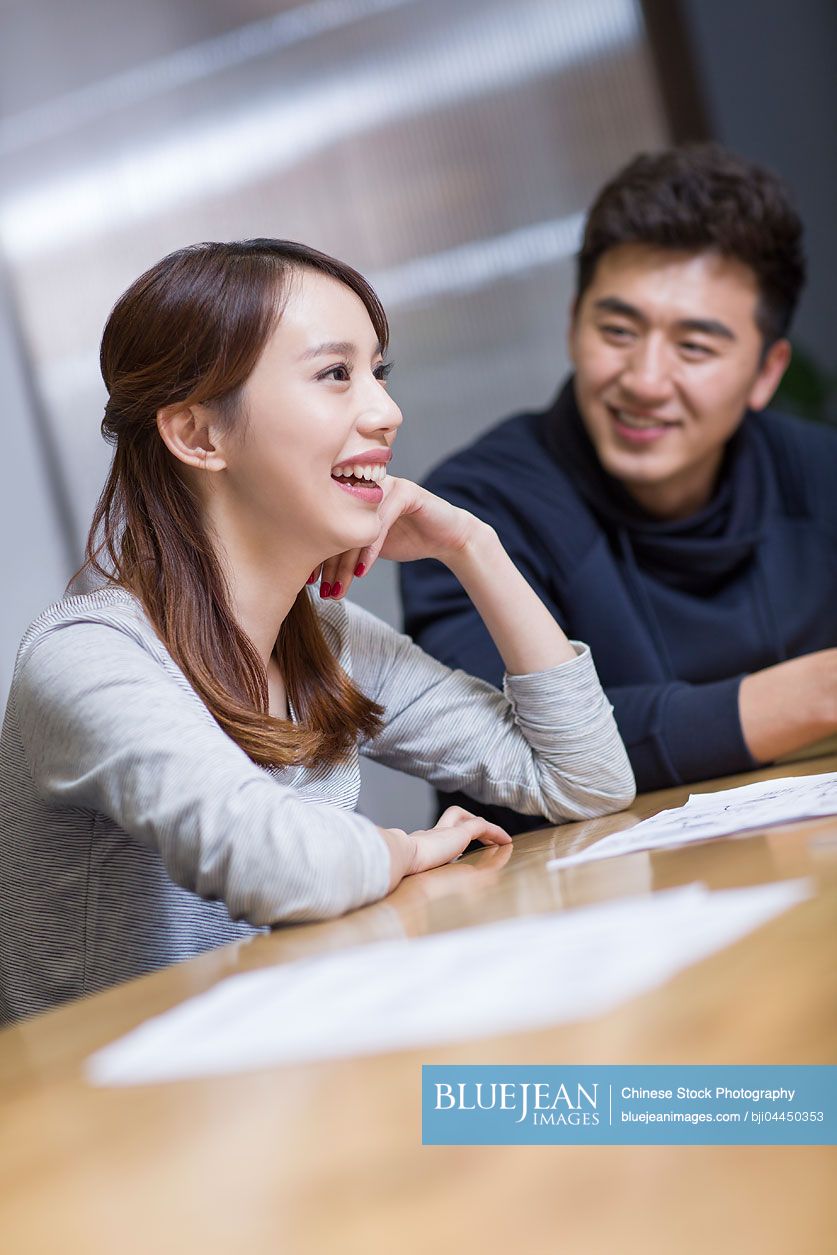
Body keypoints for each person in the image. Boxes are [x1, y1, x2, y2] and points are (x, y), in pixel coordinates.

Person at [0, 239, 634, 1024]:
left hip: (285, 1064)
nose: (386, 410)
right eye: (335, 374)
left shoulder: (325, 640)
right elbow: (276, 863)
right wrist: (409, 850)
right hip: (112, 1122)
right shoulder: (87, 657)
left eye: (378, 371)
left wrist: (474, 546)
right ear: (199, 434)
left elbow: (586, 780)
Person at [401, 144, 837, 834]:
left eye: (694, 346)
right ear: (574, 324)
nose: (644, 378)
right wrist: (815, 695)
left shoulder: (819, 476)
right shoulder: (473, 512)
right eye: (617, 330)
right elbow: (512, 749)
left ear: (764, 372)